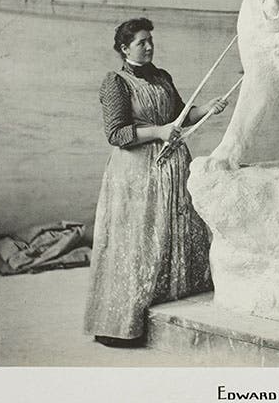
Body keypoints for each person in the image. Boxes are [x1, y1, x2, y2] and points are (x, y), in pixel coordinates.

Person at [84, 17, 228, 346]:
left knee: (177, 237)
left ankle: (173, 313)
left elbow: (179, 115)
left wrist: (207, 108)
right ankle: (125, 325)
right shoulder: (115, 83)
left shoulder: (162, 77)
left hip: (173, 171)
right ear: (124, 48)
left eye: (150, 40)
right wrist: (159, 132)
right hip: (136, 176)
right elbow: (116, 133)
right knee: (140, 244)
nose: (149, 46)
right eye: (141, 42)